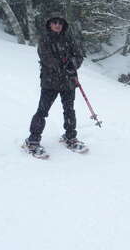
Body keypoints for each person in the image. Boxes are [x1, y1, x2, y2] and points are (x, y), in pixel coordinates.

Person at [23, 13, 85, 158]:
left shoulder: (69, 39)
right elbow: (46, 58)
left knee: (69, 110)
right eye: (54, 22)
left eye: (60, 23)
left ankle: (70, 137)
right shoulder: (45, 40)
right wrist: (64, 66)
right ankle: (32, 140)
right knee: (42, 111)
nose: (57, 25)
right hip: (50, 82)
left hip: (68, 82)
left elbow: (79, 55)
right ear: (49, 24)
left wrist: (73, 64)